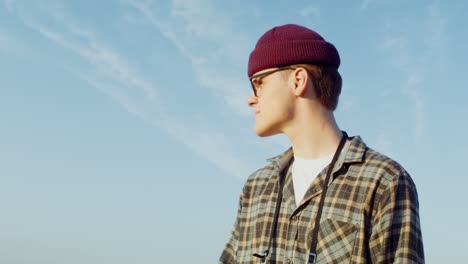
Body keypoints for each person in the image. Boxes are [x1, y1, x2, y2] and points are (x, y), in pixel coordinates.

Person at [219, 24, 424, 264]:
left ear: (298, 80)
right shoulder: (256, 188)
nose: (251, 99)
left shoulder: (383, 181)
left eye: (258, 83)